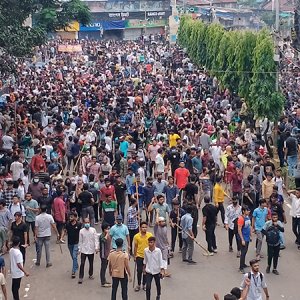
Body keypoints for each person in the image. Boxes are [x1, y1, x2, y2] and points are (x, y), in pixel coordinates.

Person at [78, 218, 99, 284]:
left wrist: (96, 247)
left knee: (91, 263)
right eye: (86, 222)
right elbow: (80, 241)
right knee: (82, 263)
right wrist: (79, 249)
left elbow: (96, 239)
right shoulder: (81, 231)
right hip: (84, 250)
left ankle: (90, 274)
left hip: (91, 249)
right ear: (84, 223)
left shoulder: (93, 230)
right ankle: (81, 277)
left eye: (88, 222)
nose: (87, 224)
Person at [133, 221, 152, 292]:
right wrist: (135, 256)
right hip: (139, 256)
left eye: (145, 227)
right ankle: (138, 284)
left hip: (147, 256)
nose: (144, 228)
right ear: (140, 228)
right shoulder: (136, 236)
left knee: (145, 271)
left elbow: (152, 245)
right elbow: (135, 246)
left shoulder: (150, 235)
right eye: (143, 227)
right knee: (139, 271)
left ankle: (144, 284)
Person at [63, 211, 81, 278]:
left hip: (76, 243)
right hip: (70, 243)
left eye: (72, 217)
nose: (70, 218)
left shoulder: (79, 225)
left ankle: (73, 271)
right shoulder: (67, 224)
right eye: (69, 217)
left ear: (75, 218)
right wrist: (61, 237)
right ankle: (76, 265)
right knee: (73, 256)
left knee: (74, 256)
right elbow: (64, 231)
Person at [237, 205, 252, 274]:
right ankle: (240, 267)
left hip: (247, 237)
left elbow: (249, 226)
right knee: (243, 253)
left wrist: (250, 235)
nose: (248, 211)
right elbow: (239, 230)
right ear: (243, 211)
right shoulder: (241, 219)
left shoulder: (247, 217)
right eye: (247, 210)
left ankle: (243, 264)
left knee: (245, 251)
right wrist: (242, 239)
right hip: (243, 238)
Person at [99, 222, 111, 288]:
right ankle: (103, 282)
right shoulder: (102, 236)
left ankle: (104, 280)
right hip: (103, 255)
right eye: (107, 229)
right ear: (104, 229)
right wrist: (106, 234)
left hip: (107, 254)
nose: (109, 230)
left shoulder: (108, 235)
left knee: (105, 267)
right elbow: (103, 240)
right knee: (103, 268)